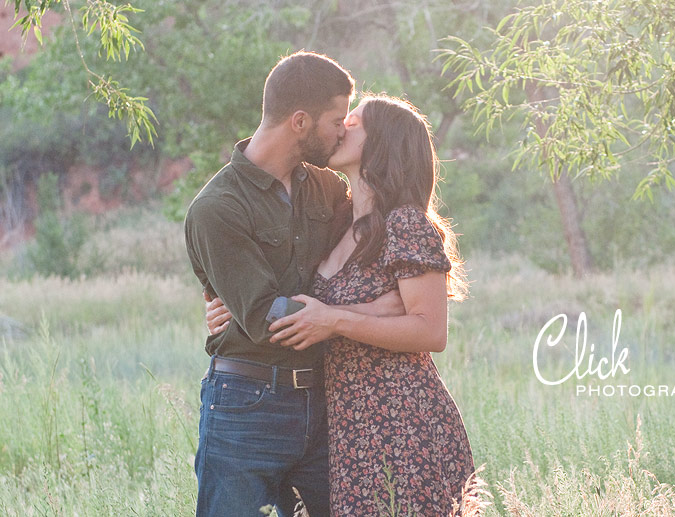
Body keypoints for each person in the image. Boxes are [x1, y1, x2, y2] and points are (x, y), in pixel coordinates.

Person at [208, 95, 475, 515]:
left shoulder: (405, 224)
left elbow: (430, 331)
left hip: (399, 417)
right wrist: (233, 308)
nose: (339, 128)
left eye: (352, 122)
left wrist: (336, 320)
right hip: (345, 425)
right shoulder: (338, 218)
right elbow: (296, 294)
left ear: (381, 144)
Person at [185, 52, 402, 517]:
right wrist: (375, 313)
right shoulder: (216, 208)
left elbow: (365, 262)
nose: (343, 131)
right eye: (336, 120)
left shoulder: (326, 188)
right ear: (300, 121)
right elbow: (267, 318)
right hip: (248, 406)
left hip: (326, 403)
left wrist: (396, 304)